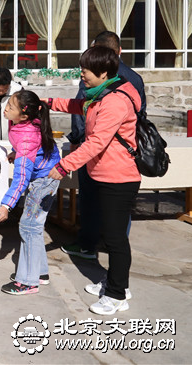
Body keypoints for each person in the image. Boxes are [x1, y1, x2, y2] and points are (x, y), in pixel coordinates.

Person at [48, 45, 141, 316]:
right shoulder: (101, 94)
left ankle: (117, 294)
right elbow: (79, 106)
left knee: (114, 238)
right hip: (102, 175)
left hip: (118, 178)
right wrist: (49, 103)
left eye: (86, 70)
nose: (82, 75)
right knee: (109, 234)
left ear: (103, 72)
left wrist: (65, 165)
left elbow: (98, 141)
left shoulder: (115, 101)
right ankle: (114, 282)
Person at [62, 31, 146, 260]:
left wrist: (68, 157)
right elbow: (140, 114)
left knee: (91, 203)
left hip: (107, 163)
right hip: (123, 158)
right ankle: (113, 247)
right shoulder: (133, 79)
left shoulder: (104, 87)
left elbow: (92, 129)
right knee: (118, 218)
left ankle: (90, 246)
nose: (82, 75)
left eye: (85, 70)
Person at [0, 89, 61, 295]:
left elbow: (21, 178)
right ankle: (39, 272)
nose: (6, 109)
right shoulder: (25, 124)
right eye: (7, 104)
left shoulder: (26, 139)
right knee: (34, 226)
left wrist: (6, 206)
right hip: (46, 177)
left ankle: (28, 282)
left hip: (44, 182)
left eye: (10, 107)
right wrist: (18, 153)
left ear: (24, 115)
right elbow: (33, 147)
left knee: (29, 227)